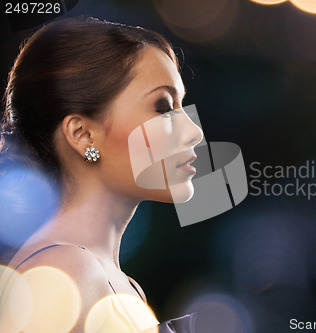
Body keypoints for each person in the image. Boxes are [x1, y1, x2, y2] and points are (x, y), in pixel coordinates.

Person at [0, 17, 203, 333]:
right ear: (83, 134)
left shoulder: (120, 284)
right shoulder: (62, 272)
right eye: (163, 107)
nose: (192, 131)